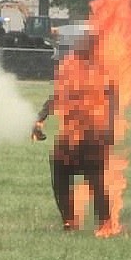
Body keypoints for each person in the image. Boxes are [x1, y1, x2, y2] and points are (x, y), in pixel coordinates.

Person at [50, 34, 117, 233]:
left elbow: (113, 103)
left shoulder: (103, 72)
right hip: (70, 135)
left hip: (93, 135)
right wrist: (40, 118)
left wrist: (109, 130)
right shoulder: (70, 68)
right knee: (60, 173)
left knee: (96, 181)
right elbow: (57, 96)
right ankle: (69, 221)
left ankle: (105, 224)